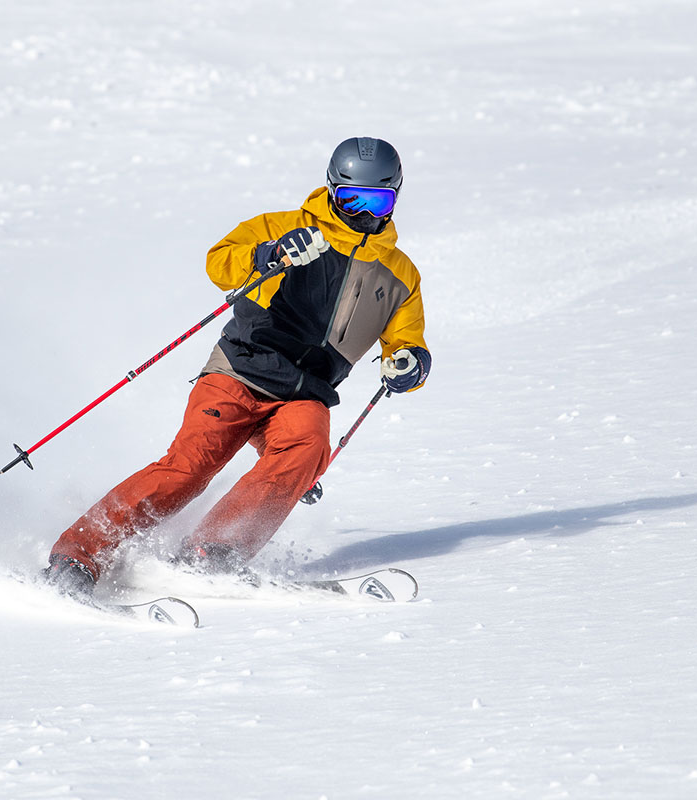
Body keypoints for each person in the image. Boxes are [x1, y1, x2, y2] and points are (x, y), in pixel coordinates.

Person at [44, 136, 431, 600]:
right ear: (331, 190)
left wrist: (410, 363)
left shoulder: (401, 275)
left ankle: (213, 551)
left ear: (395, 196)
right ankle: (78, 554)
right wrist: (266, 255)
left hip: (306, 391)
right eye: (351, 198)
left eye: (377, 200)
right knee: (189, 469)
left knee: (306, 448)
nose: (363, 213)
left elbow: (405, 341)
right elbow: (219, 262)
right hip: (241, 370)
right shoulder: (284, 227)